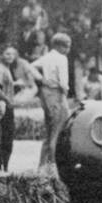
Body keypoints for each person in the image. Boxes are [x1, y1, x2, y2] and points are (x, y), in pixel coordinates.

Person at [32, 33, 72, 176]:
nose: (68, 49)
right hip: (57, 94)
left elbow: (31, 67)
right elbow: (63, 81)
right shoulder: (62, 58)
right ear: (59, 46)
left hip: (47, 94)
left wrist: (42, 80)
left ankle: (42, 166)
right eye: (66, 46)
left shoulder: (47, 56)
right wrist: (65, 95)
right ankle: (54, 166)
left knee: (49, 132)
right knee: (58, 131)